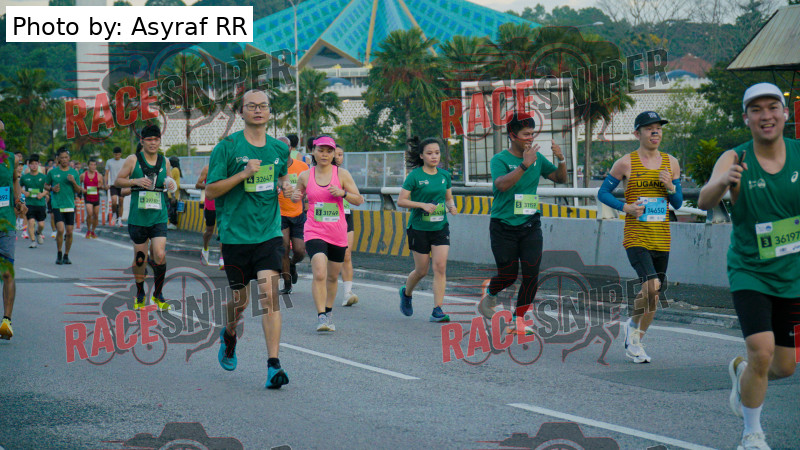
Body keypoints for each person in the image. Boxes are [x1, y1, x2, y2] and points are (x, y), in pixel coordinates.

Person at [698, 82, 799, 450]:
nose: (765, 116)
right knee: (761, 349)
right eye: (757, 110)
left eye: (772, 108)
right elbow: (704, 199)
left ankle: (743, 372)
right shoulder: (735, 157)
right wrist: (724, 181)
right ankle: (751, 434)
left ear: (785, 113)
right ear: (746, 118)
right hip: (750, 271)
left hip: (793, 274)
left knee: (784, 366)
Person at [206, 89, 293, 389]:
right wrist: (243, 174)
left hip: (268, 232)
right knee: (240, 301)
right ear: (241, 111)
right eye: (251, 106)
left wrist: (287, 188)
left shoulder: (279, 149)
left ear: (270, 112)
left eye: (263, 106)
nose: (257, 110)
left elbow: (282, 178)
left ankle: (273, 365)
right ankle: (229, 333)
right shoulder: (227, 148)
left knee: (270, 295)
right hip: (235, 235)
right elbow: (211, 190)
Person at [597, 111, 682, 364]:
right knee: (651, 286)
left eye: (659, 128)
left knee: (654, 295)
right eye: (649, 128)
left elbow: (678, 203)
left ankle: (635, 337)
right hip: (636, 235)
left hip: (661, 238)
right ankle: (633, 334)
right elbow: (603, 193)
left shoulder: (671, 163)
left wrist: (671, 187)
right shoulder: (625, 163)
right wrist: (626, 207)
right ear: (637, 133)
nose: (655, 132)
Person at [476, 113, 567, 334]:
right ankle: (491, 293)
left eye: (532, 133)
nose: (530, 138)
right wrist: (524, 165)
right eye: (526, 134)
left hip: (530, 224)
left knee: (531, 274)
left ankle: (518, 320)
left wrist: (561, 159)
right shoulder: (500, 159)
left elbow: (560, 178)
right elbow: (501, 185)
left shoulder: (537, 158)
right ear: (513, 135)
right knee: (508, 275)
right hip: (503, 225)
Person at [291, 135, 363, 332]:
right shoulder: (305, 176)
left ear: (333, 154)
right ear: (313, 152)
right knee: (320, 272)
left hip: (337, 232)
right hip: (314, 230)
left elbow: (359, 200)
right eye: (320, 150)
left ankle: (328, 312)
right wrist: (295, 196)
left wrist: (343, 194)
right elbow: (297, 197)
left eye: (329, 151)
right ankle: (321, 315)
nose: (324, 154)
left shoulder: (342, 175)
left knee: (332, 277)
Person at [114, 124, 177, 311]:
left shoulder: (165, 161)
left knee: (159, 254)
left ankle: (158, 294)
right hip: (138, 218)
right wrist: (135, 181)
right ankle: (140, 292)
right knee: (140, 259)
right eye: (149, 140)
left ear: (159, 141)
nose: (153, 143)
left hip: (158, 216)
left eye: (156, 140)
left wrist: (170, 184)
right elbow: (118, 181)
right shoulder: (133, 160)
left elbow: (169, 181)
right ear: (142, 141)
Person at [396, 137, 457, 322]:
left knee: (440, 267)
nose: (434, 156)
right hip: (419, 228)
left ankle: (437, 310)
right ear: (422, 156)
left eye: (437, 153)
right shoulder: (414, 176)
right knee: (422, 270)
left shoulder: (444, 175)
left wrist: (452, 206)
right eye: (429, 153)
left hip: (440, 227)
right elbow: (401, 201)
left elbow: (448, 197)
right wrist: (421, 205)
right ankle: (406, 293)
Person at [0, 138, 28, 339]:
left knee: (7, 272)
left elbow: (15, 181)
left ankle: (6, 321)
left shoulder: (10, 159)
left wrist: (18, 201)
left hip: (6, 222)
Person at [278, 143, 309, 295]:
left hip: (298, 214)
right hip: (280, 214)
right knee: (284, 248)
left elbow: (309, 187)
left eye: (285, 147)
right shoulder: (273, 167)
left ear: (290, 149)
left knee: (300, 251)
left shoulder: (302, 166)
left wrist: (308, 205)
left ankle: (292, 264)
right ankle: (287, 283)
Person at [45, 148, 82, 265]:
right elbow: (45, 185)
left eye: (66, 157)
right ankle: (59, 253)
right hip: (57, 204)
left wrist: (73, 182)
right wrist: (52, 188)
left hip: (69, 205)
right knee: (60, 229)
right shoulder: (52, 172)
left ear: (69, 158)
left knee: (69, 232)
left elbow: (78, 190)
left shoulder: (74, 173)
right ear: (58, 159)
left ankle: (66, 255)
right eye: (62, 157)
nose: (64, 159)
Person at [334, 146, 359, 306]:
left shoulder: (344, 174)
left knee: (347, 254)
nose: (337, 157)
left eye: (340, 154)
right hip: (325, 219)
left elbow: (357, 197)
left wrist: (344, 193)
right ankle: (324, 287)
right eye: (335, 154)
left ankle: (347, 293)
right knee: (328, 258)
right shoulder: (316, 174)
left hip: (345, 215)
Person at [195, 164, 224, 268]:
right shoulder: (207, 168)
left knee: (223, 231)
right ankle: (205, 248)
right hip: (210, 205)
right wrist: (211, 187)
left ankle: (222, 258)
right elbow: (198, 184)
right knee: (209, 231)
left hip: (224, 204)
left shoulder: (226, 166)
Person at [20, 154, 47, 248]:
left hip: (40, 203)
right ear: (28, 165)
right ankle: (33, 241)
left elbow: (48, 188)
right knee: (31, 222)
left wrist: (42, 194)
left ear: (38, 164)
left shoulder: (43, 177)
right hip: (29, 203)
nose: (34, 166)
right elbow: (18, 187)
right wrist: (24, 192)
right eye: (32, 164)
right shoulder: (25, 177)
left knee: (41, 224)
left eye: (36, 164)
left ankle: (38, 232)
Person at [81, 158, 105, 239]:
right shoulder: (83, 175)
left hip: (96, 197)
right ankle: (88, 230)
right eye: (91, 165)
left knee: (96, 215)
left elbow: (102, 185)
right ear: (88, 166)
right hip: (88, 197)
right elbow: (78, 184)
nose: (93, 166)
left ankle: (93, 231)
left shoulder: (99, 176)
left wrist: (100, 186)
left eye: (94, 165)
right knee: (90, 213)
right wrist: (82, 189)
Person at [105, 146, 126, 227]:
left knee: (121, 201)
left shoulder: (124, 161)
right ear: (113, 154)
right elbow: (106, 173)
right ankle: (114, 214)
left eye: (118, 154)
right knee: (114, 201)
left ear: (120, 154)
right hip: (113, 184)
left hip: (121, 184)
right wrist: (106, 183)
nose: (117, 156)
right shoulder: (109, 162)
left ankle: (120, 219)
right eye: (116, 154)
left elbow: (127, 172)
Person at [167, 156, 182, 230]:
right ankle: (172, 223)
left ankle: (173, 223)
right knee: (172, 208)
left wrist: (172, 196)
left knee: (172, 209)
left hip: (172, 193)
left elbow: (171, 181)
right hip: (175, 193)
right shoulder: (177, 169)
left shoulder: (174, 170)